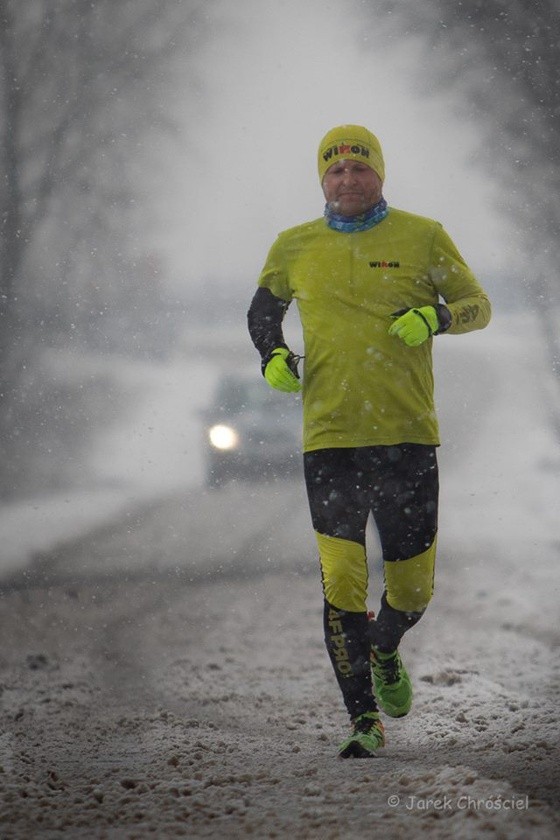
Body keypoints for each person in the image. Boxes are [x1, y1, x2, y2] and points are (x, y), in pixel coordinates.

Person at [247, 125, 491, 759]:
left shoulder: (423, 236)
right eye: (335, 171)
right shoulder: (293, 245)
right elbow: (262, 309)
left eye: (359, 169)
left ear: (380, 176)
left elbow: (477, 303)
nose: (347, 180)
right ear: (321, 181)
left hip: (406, 437)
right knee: (341, 580)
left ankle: (385, 645)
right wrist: (272, 354)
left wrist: (434, 316)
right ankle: (362, 720)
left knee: (412, 590)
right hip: (329, 439)